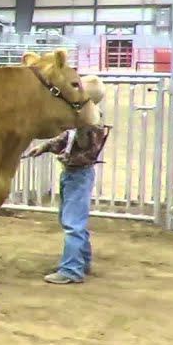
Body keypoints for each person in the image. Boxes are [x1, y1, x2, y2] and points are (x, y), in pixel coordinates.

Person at [23, 117, 111, 285]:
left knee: (73, 224)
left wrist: (79, 124)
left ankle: (72, 270)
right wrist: (44, 147)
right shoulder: (83, 121)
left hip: (79, 175)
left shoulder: (90, 124)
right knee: (71, 220)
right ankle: (82, 262)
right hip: (72, 174)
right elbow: (67, 137)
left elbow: (82, 142)